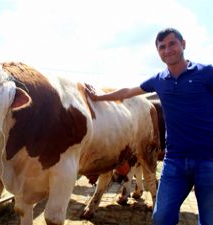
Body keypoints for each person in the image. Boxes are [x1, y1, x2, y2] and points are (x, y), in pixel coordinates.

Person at [85, 27, 213, 225]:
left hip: (208, 160)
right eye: (162, 47)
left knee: (209, 218)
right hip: (175, 162)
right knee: (161, 217)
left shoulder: (206, 73)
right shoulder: (159, 80)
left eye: (172, 44)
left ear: (183, 44)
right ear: (158, 52)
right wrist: (98, 96)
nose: (167, 50)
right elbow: (127, 92)